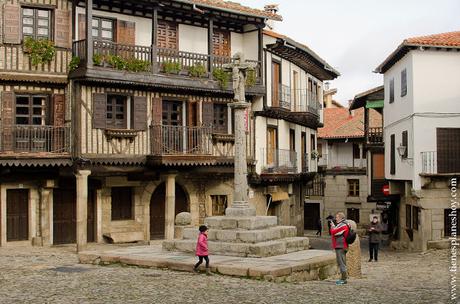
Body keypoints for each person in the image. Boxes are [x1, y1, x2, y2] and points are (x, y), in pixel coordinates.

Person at [330, 212, 350, 285]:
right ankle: (343, 278)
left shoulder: (343, 225)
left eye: (337, 217)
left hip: (341, 246)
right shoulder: (342, 224)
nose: (336, 218)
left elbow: (334, 232)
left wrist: (332, 226)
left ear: (341, 218)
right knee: (342, 262)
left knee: (341, 263)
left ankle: (343, 279)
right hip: (341, 246)